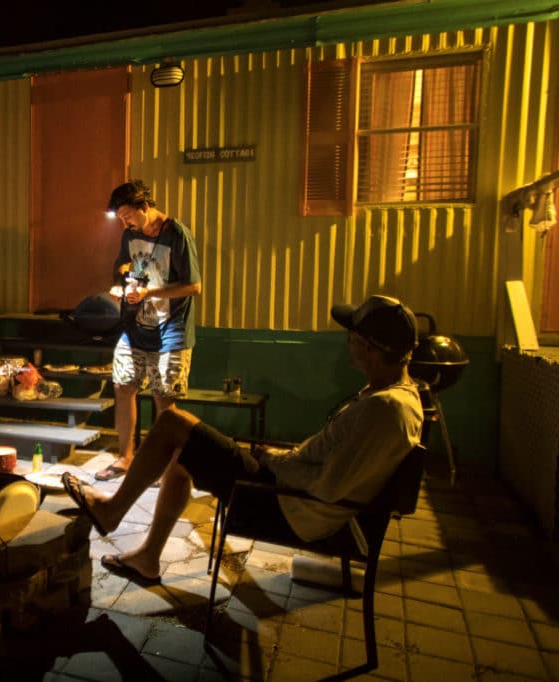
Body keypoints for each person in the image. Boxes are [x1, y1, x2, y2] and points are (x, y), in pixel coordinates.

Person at [62, 295, 423, 583]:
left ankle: (112, 512)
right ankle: (147, 557)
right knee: (182, 451)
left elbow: (327, 486)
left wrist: (273, 461)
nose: (348, 344)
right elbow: (333, 466)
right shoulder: (392, 395)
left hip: (285, 505)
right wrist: (280, 456)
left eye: (353, 338)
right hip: (289, 493)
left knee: (172, 422)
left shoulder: (386, 409)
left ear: (370, 349)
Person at [96, 180, 201, 481]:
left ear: (145, 207)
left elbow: (194, 286)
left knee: (164, 397)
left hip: (171, 329)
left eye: (128, 215)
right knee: (123, 385)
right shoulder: (130, 235)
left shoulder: (177, 234)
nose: (125, 222)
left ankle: (167, 466)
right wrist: (119, 286)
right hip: (135, 325)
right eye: (120, 218)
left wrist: (150, 293)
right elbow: (122, 268)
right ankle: (125, 457)